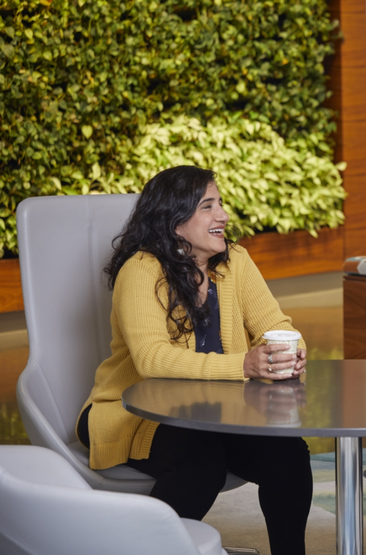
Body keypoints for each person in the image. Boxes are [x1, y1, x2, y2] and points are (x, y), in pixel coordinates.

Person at [76, 166, 312, 555]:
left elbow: (277, 324)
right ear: (175, 221)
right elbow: (152, 359)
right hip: (136, 412)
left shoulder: (235, 260)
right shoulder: (141, 269)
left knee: (287, 454)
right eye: (208, 206)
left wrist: (292, 350)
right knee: (201, 465)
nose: (223, 215)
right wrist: (245, 366)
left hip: (218, 414)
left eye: (220, 203)